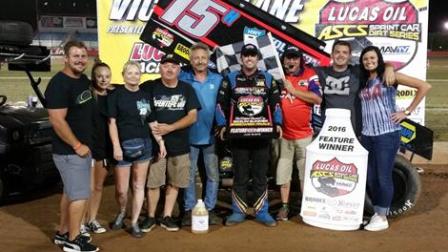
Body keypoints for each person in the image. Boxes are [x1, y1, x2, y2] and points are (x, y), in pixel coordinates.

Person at [358, 46, 431, 231]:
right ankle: (376, 213)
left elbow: (424, 86)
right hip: (367, 136)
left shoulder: (389, 76)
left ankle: (382, 217)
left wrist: (406, 112)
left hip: (387, 134)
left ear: (378, 59)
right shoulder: (364, 80)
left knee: (383, 177)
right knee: (371, 177)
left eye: (372, 58)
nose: (369, 61)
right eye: (365, 59)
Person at [216, 43, 282, 227]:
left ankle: (262, 211)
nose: (249, 58)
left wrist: (277, 124)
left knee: (261, 175)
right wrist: (222, 125)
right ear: (241, 58)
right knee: (241, 175)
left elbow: (276, 104)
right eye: (246, 55)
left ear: (258, 58)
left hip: (262, 135)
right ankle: (238, 212)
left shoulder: (268, 78)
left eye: (253, 55)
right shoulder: (230, 78)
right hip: (238, 135)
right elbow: (220, 104)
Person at [45, 41, 99, 252]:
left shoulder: (83, 80)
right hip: (71, 151)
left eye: (83, 56)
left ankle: (63, 233)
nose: (80, 59)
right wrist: (77, 145)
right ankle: (73, 241)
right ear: (65, 58)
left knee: (70, 193)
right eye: (75, 56)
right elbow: (57, 120)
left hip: (80, 149)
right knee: (79, 195)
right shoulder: (59, 84)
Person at [140, 54, 201, 232]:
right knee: (153, 183)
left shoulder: (186, 89)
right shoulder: (150, 86)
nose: (169, 69)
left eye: (173, 66)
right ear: (160, 68)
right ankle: (151, 216)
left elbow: (192, 116)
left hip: (180, 144)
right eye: (165, 65)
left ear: (179, 70)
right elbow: (131, 92)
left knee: (175, 182)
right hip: (155, 146)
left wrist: (171, 127)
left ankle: (166, 216)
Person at [108, 61, 157, 238]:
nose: (133, 76)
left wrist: (161, 142)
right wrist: (116, 146)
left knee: (138, 185)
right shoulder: (116, 95)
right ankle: (122, 211)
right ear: (123, 74)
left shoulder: (145, 96)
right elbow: (112, 123)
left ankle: (135, 222)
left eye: (137, 73)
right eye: (130, 73)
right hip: (122, 148)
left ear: (140, 76)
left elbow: (152, 122)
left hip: (145, 145)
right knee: (121, 190)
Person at [275, 46, 322, 221]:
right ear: (284, 60)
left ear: (300, 60)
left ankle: (306, 206)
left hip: (304, 135)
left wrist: (293, 91)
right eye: (288, 58)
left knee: (304, 173)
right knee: (283, 172)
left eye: (295, 58)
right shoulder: (277, 76)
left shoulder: (309, 74)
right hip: (284, 136)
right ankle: (285, 207)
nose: (291, 61)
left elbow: (317, 98)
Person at [178, 43, 222, 226]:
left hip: (212, 135)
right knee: (188, 175)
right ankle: (189, 210)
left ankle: (210, 209)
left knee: (212, 175)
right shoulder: (182, 78)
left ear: (208, 59)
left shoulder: (218, 79)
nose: (200, 61)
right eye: (196, 58)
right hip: (188, 135)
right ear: (190, 60)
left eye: (203, 58)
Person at [315, 40, 395, 136]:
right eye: (337, 52)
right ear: (331, 54)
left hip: (353, 131)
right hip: (328, 130)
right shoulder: (319, 72)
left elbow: (375, 65)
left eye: (345, 52)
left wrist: (389, 67)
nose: (341, 55)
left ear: (350, 56)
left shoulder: (358, 71)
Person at [83, 62, 113, 235]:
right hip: (88, 147)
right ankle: (80, 222)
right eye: (100, 76)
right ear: (94, 77)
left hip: (104, 147)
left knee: (99, 186)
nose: (103, 79)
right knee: (87, 187)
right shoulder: (87, 96)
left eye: (107, 76)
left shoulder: (111, 96)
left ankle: (92, 219)